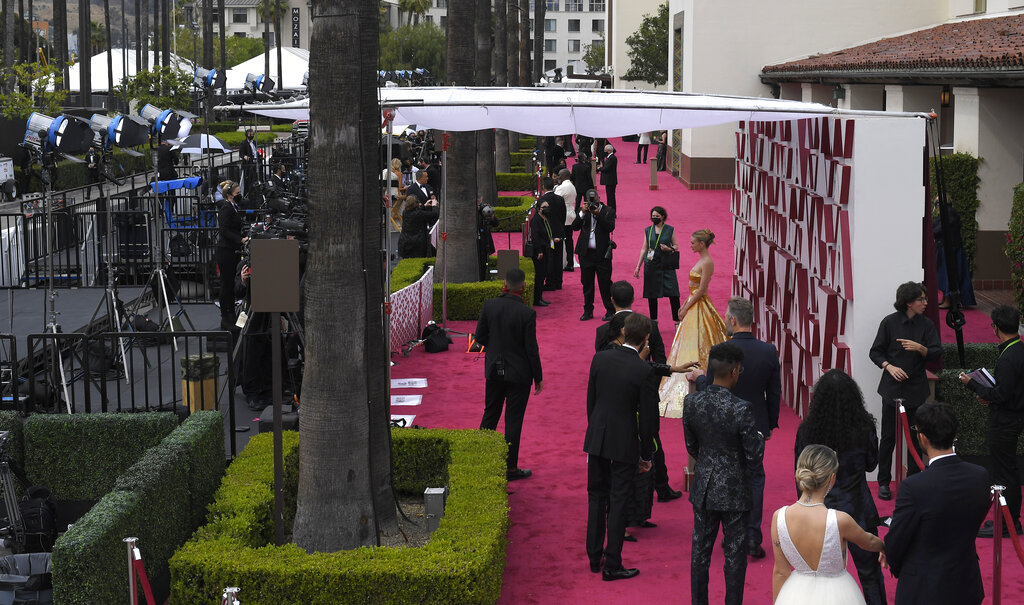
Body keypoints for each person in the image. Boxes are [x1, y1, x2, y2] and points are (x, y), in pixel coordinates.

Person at [692, 296, 781, 559]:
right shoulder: (768, 351)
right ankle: (752, 537)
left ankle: (731, 534)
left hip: (723, 426)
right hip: (755, 425)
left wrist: (698, 379)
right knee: (754, 478)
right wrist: (770, 424)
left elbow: (711, 391)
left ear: (732, 319)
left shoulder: (719, 350)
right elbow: (774, 393)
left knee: (726, 477)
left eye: (725, 317)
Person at [595, 281, 696, 505]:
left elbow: (603, 368)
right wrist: (647, 383)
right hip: (644, 396)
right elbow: (658, 358)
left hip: (620, 400)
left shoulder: (604, 331)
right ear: (633, 299)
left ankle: (647, 488)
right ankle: (659, 487)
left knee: (635, 441)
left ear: (611, 300)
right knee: (651, 439)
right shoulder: (646, 325)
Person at [883, 402, 991, 605]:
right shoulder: (980, 476)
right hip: (966, 582)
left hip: (924, 589)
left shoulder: (914, 486)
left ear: (923, 437)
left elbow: (897, 540)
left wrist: (889, 553)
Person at [682, 341, 764, 605]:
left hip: (704, 487)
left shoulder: (692, 402)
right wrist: (758, 437)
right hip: (735, 492)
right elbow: (754, 455)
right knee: (734, 556)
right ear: (734, 371)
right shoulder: (742, 408)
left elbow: (692, 446)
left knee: (700, 553)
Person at [794, 370, 885, 605]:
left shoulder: (807, 430)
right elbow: (871, 464)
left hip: (818, 511)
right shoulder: (864, 428)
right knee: (870, 574)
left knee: (819, 577)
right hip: (858, 509)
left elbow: (800, 474)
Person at [584, 312, 658, 581]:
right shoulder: (643, 370)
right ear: (645, 338)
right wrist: (646, 454)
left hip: (597, 438)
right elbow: (648, 420)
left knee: (596, 497)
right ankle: (612, 563)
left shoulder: (600, 358)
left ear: (624, 332)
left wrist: (595, 432)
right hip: (625, 443)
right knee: (618, 501)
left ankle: (594, 557)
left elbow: (591, 402)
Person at [771, 445, 886, 605]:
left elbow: (780, 572)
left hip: (794, 595)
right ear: (832, 479)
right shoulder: (839, 520)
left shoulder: (779, 518)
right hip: (839, 595)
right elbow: (869, 542)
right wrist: (883, 547)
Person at [869, 281, 941, 500]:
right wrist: (889, 367)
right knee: (888, 437)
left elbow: (936, 352)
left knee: (916, 438)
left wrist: (921, 348)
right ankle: (883, 482)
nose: (926, 303)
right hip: (891, 389)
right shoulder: (889, 323)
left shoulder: (926, 325)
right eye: (921, 299)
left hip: (916, 389)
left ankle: (913, 481)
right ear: (909, 302)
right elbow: (875, 352)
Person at [959, 304, 1024, 537]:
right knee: (1007, 470)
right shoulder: (1018, 349)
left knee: (1004, 473)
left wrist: (973, 384)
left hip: (1004, 422)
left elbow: (1001, 395)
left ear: (995, 327)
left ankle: (1007, 524)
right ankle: (1008, 521)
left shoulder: (1009, 358)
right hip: (1012, 418)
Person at [476, 268, 543, 480]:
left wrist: (496, 348)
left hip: (494, 369)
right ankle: (510, 468)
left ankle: (480, 462)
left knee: (490, 414)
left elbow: (479, 338)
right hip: (519, 373)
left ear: (504, 284)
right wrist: (538, 377)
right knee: (513, 421)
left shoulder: (490, 306)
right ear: (524, 286)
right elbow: (531, 349)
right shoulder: (527, 313)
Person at [659, 229, 727, 418]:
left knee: (700, 340)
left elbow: (702, 290)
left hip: (699, 305)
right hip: (693, 304)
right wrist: (684, 306)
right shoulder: (702, 261)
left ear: (702, 244)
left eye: (693, 243)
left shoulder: (707, 262)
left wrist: (685, 307)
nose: (690, 245)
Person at [572, 189, 616, 321]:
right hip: (586, 254)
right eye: (589, 200)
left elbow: (610, 227)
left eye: (594, 199)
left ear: (598, 198)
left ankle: (610, 310)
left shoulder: (608, 210)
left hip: (602, 254)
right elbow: (574, 227)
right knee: (587, 283)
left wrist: (598, 214)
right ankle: (588, 311)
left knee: (605, 283)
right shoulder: (582, 210)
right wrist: (582, 212)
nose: (592, 202)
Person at [633, 205, 680, 322]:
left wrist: (669, 248)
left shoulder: (669, 229)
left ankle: (677, 321)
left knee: (673, 293)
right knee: (652, 294)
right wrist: (638, 266)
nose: (654, 218)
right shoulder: (648, 230)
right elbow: (644, 249)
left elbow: (676, 246)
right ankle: (654, 321)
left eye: (657, 216)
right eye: (653, 216)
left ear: (663, 217)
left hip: (666, 265)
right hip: (651, 265)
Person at [216, 180, 248, 331]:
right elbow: (224, 230)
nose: (240, 195)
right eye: (237, 193)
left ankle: (231, 315)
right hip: (226, 252)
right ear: (229, 195)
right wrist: (240, 239)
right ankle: (225, 317)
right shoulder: (226, 208)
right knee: (226, 284)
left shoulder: (234, 207)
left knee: (230, 284)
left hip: (232, 250)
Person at [933, 200, 976, 308]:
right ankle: (946, 299)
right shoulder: (948, 213)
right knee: (946, 274)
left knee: (948, 275)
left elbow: (939, 229)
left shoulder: (948, 213)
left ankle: (948, 300)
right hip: (949, 248)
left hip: (949, 249)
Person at [537, 178, 565, 290]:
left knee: (549, 258)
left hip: (547, 233)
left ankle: (550, 283)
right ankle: (558, 282)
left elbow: (539, 219)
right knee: (558, 257)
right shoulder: (560, 199)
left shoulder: (542, 200)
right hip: (559, 232)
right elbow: (563, 216)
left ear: (543, 186)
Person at [528, 197, 553, 307]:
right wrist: (539, 251)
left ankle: (540, 297)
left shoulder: (545, 218)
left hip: (546, 249)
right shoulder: (535, 220)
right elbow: (535, 237)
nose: (547, 209)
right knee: (539, 275)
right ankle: (537, 299)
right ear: (538, 208)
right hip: (539, 251)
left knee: (543, 274)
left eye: (548, 207)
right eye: (544, 207)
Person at [397, 194, 439, 259]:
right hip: (416, 245)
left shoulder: (405, 212)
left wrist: (424, 205)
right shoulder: (419, 215)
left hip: (405, 242)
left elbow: (415, 211)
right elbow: (435, 214)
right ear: (416, 204)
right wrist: (434, 206)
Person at [553, 169, 577, 272]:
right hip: (571, 214)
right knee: (569, 240)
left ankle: (560, 263)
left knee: (561, 240)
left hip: (563, 216)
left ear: (564, 176)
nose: (558, 177)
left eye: (559, 175)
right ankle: (570, 263)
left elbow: (554, 200)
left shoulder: (562, 187)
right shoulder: (572, 186)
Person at [596, 144, 618, 209]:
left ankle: (611, 210)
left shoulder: (612, 158)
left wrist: (599, 168)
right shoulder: (610, 157)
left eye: (605, 150)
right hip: (610, 180)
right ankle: (610, 209)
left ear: (609, 151)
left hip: (610, 180)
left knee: (610, 197)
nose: (604, 152)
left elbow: (606, 168)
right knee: (610, 196)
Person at [240, 130, 259, 194]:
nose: (252, 136)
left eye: (253, 134)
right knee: (248, 180)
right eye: (250, 134)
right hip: (248, 164)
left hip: (255, 162)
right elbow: (241, 154)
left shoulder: (254, 142)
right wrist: (245, 156)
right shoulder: (244, 143)